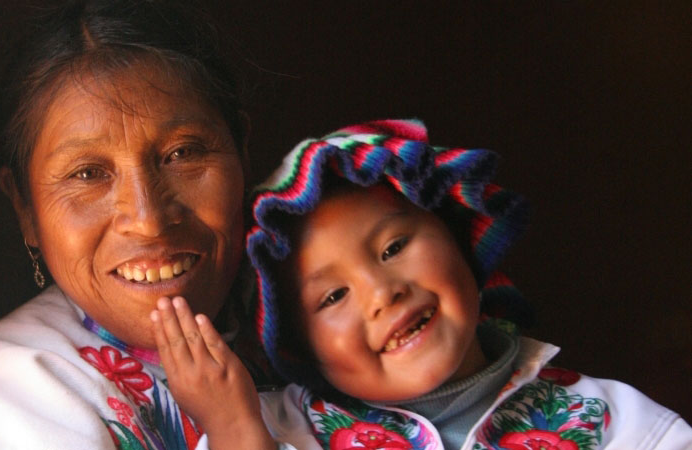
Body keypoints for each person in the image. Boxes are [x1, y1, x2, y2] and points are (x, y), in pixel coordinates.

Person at [153, 119, 692, 449]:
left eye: (393, 249)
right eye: (333, 296)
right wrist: (236, 433)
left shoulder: (624, 425)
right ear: (296, 344)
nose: (382, 292)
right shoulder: (279, 431)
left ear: (459, 236)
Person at [0, 0, 279, 450]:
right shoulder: (6, 397)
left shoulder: (336, 311)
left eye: (183, 153)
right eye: (88, 173)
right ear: (24, 207)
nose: (148, 219)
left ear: (242, 152)